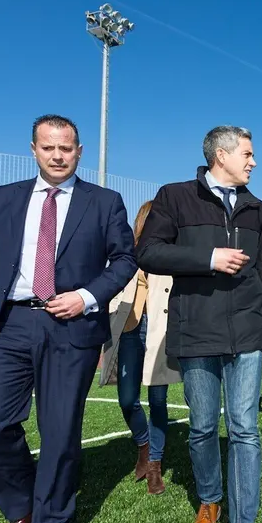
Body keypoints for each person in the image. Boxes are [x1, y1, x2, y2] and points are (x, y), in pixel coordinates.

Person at [0, 115, 136, 523]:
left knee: (59, 434)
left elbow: (125, 260)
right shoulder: (3, 198)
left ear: (79, 151)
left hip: (70, 326)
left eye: (68, 148)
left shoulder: (105, 201)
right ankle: (22, 509)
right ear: (33, 149)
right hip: (8, 324)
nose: (58, 156)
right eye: (49, 147)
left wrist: (87, 296)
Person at [137, 125, 262, 523]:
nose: (254, 162)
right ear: (221, 155)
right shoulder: (175, 196)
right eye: (248, 153)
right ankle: (209, 499)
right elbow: (148, 251)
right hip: (196, 332)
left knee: (244, 428)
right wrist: (208, 257)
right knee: (203, 427)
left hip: (246, 332)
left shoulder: (257, 207)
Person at [101, 201, 182, 495]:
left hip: (160, 333)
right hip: (129, 331)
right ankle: (144, 443)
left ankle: (154, 466)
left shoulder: (169, 252)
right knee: (127, 399)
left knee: (158, 400)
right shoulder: (127, 253)